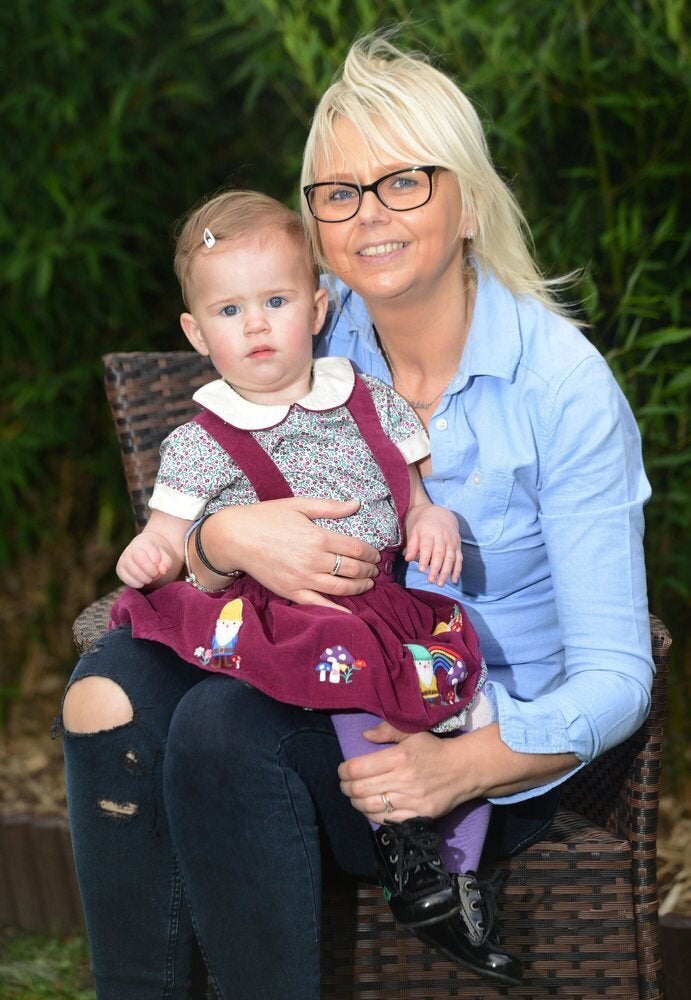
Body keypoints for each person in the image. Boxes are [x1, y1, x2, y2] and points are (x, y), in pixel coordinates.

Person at [58, 28, 653, 1000]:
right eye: (338, 193)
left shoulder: (560, 388)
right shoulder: (312, 343)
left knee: (221, 726)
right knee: (108, 686)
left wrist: (457, 769)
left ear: (465, 196)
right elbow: (199, 545)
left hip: (467, 747)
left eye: (403, 182)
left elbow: (619, 676)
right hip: (316, 673)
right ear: (314, 224)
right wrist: (221, 537)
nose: (369, 215)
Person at [109, 188, 511, 964]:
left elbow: (414, 493)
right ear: (195, 331)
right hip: (289, 610)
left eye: (274, 300)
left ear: (318, 307)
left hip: (378, 599)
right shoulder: (199, 440)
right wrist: (149, 554)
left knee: (456, 688)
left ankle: (459, 872)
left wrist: (429, 519)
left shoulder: (364, 399)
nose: (255, 324)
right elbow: (166, 539)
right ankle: (402, 840)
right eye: (229, 311)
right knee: (350, 658)